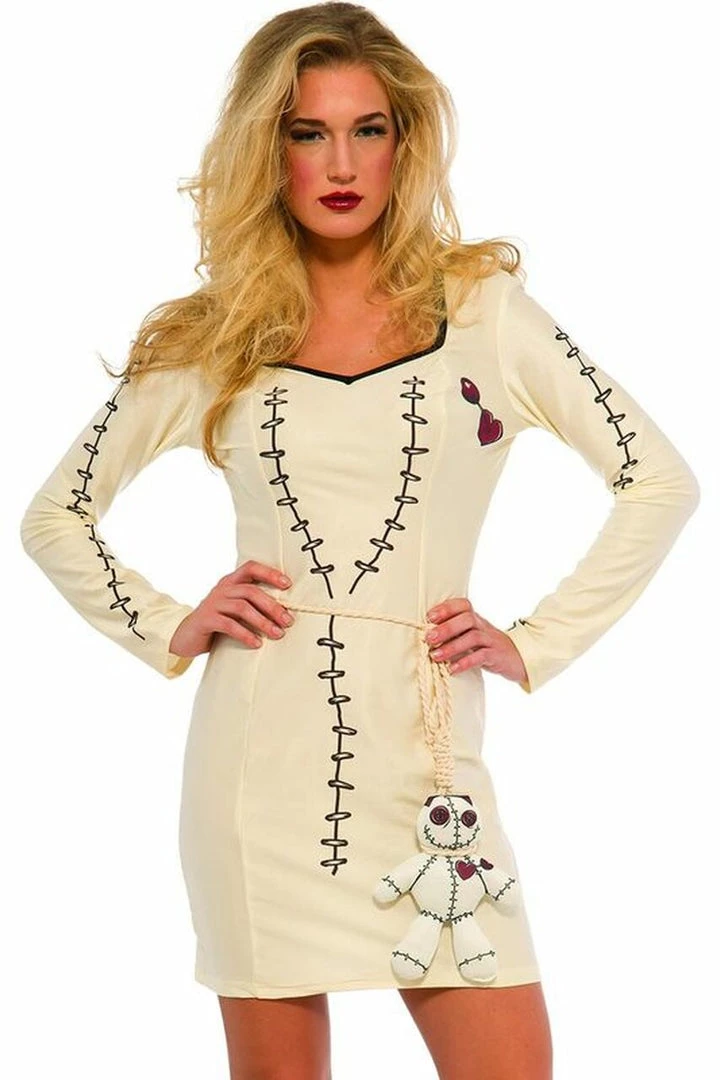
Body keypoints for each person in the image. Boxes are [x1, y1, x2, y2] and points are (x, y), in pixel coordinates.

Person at [19, 3, 700, 1078]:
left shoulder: (484, 313)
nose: (340, 164)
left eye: (367, 129)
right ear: (270, 149)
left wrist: (536, 641)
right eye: (309, 132)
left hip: (430, 770)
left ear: (403, 142)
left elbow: (658, 480)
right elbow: (55, 514)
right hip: (256, 776)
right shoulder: (214, 334)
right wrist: (170, 622)